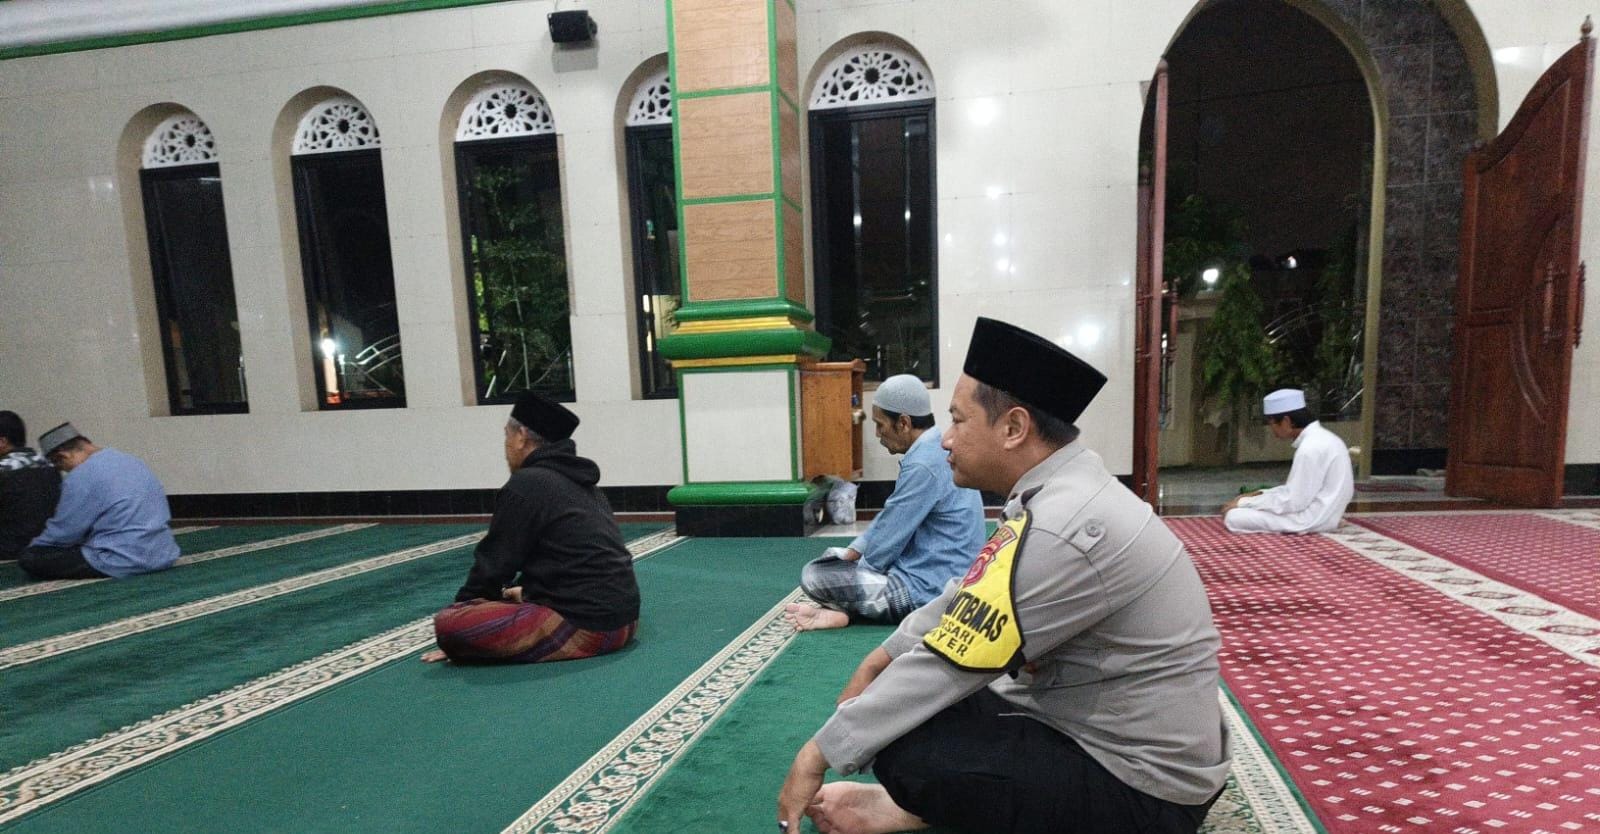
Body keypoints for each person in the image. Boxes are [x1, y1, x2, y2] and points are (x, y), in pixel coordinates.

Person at [777, 317, 1230, 834]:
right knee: (904, 701)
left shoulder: (1065, 524)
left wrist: (816, 754)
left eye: (958, 421)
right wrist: (879, 658)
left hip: (1148, 791)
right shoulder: (1056, 493)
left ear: (1013, 428)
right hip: (1096, 723)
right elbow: (966, 595)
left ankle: (909, 809)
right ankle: (921, 808)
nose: (946, 440)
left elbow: (950, 661)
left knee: (906, 743)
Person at [423, 392, 641, 665]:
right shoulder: (584, 484)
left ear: (521, 436)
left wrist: (463, 618)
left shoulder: (527, 483)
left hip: (586, 628)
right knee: (511, 595)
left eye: (506, 436)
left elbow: (493, 565)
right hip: (625, 622)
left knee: (449, 624)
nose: (506, 446)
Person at [785, 374, 986, 632]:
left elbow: (886, 543)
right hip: (944, 578)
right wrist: (853, 552)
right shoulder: (933, 449)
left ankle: (847, 611)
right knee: (835, 557)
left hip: (927, 592)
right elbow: (893, 514)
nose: (878, 434)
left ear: (903, 423)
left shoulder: (924, 464)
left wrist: (856, 571)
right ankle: (848, 606)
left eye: (880, 425)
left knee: (815, 575)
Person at [20, 423, 180, 579]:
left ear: (64, 456)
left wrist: (36, 546)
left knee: (31, 558)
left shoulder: (80, 476)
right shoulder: (130, 460)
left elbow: (65, 532)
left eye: (62, 467)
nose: (66, 472)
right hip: (163, 553)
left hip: (122, 559)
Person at [1222, 388, 1354, 534]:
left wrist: (1244, 503)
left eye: (1271, 423)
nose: (1272, 430)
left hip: (1310, 520)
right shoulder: (1327, 438)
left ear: (1286, 421)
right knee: (1250, 508)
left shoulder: (1310, 448)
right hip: (1329, 514)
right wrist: (1255, 495)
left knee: (1234, 517)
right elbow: (1296, 491)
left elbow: (1294, 501)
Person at [0, 411, 62, 562]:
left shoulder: (3, 469)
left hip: (8, 549)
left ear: (2, 442)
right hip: (47, 546)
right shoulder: (50, 465)